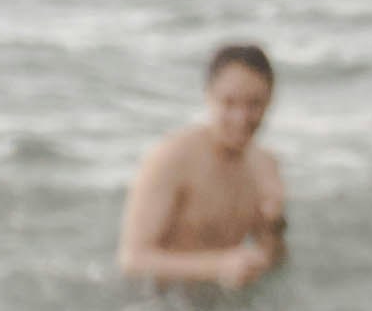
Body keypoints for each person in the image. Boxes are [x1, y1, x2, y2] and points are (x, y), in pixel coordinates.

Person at [117, 42, 288, 290]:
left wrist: (275, 225)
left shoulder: (266, 166)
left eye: (254, 105)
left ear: (270, 100)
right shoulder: (171, 159)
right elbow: (132, 260)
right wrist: (218, 267)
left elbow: (273, 261)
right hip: (158, 302)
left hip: (222, 306)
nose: (241, 118)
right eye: (229, 103)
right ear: (209, 96)